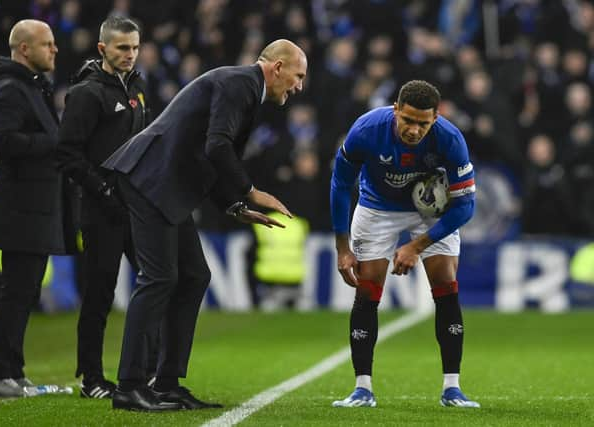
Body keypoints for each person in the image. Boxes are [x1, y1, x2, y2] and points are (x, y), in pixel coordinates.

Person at [101, 39, 307, 412]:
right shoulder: (239, 85)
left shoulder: (244, 89)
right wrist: (250, 190)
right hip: (150, 179)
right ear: (277, 67)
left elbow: (208, 156)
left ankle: (165, 383)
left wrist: (233, 205)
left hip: (165, 185)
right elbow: (216, 148)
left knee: (194, 275)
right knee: (159, 278)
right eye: (298, 75)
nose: (300, 86)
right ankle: (129, 385)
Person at [330, 80, 479, 408]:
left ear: (435, 119)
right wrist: (342, 248)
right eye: (407, 120)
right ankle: (362, 388)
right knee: (367, 287)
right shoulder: (367, 130)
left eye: (423, 124)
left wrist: (418, 245)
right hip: (376, 207)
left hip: (427, 212)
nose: (414, 130)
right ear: (395, 110)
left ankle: (452, 388)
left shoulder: (450, 139)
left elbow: (466, 205)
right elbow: (340, 183)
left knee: (445, 283)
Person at [0, 19, 78, 398]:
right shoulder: (8, 90)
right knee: (16, 291)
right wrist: (54, 142)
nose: (54, 50)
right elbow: (4, 143)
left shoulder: (29, 88)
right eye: (46, 44)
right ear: (23, 49)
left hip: (34, 207)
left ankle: (11, 373)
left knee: (24, 291)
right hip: (20, 207)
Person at [57, 16, 152, 399]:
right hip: (101, 208)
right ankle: (91, 378)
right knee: (100, 294)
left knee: (154, 283)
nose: (130, 55)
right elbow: (67, 154)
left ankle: (149, 373)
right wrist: (102, 190)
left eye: (134, 47)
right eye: (122, 48)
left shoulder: (137, 86)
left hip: (135, 205)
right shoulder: (87, 93)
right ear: (103, 49)